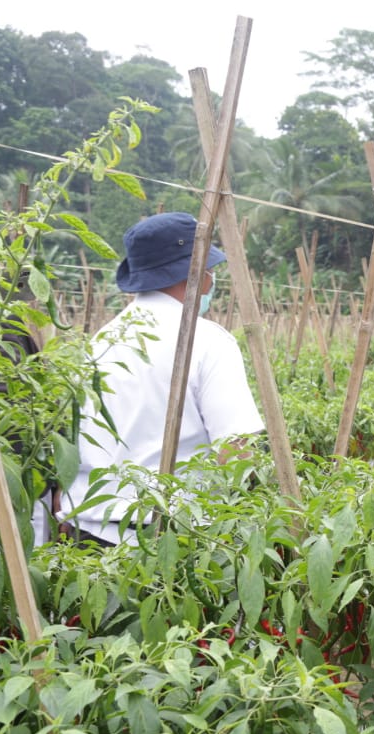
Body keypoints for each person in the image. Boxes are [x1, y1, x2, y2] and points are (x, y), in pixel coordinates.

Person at [61, 211, 265, 546]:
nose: (213, 280)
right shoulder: (208, 341)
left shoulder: (100, 342)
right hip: (171, 537)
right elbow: (235, 452)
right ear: (199, 275)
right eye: (210, 270)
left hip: (90, 534)